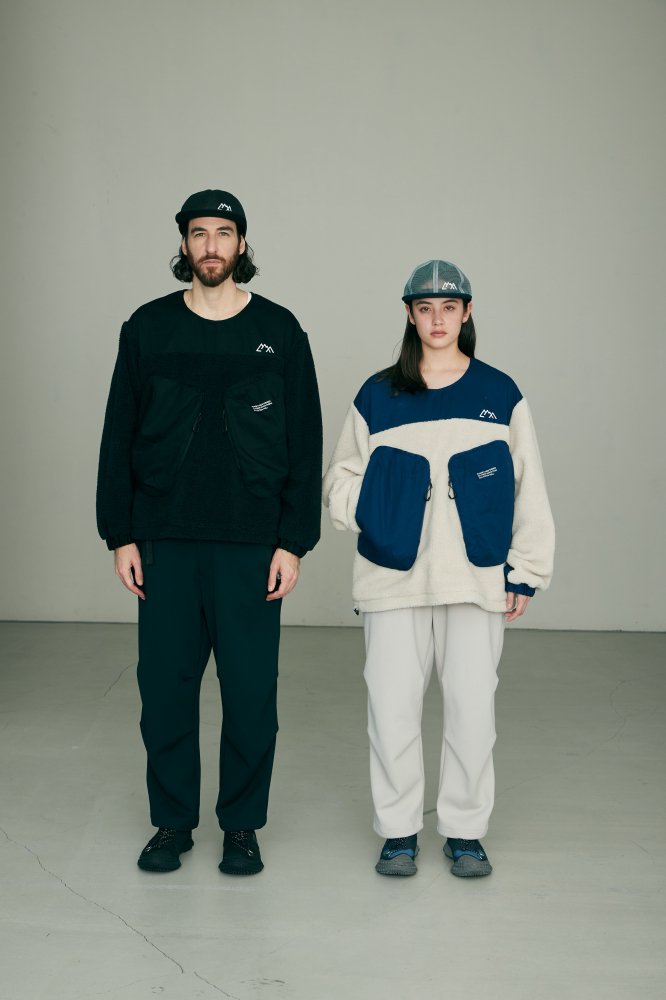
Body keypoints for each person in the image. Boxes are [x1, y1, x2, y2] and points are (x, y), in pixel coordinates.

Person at [97, 189, 322, 875]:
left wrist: (293, 542)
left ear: (242, 244)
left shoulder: (280, 330)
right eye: (199, 233)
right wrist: (120, 535)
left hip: (252, 545)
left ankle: (241, 827)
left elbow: (304, 441)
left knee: (251, 695)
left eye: (224, 233)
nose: (212, 246)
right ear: (184, 245)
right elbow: (118, 434)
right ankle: (172, 824)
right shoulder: (148, 328)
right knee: (165, 692)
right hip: (164, 541)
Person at [323, 259, 554, 878]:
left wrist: (526, 570)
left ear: (467, 312)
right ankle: (399, 832)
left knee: (473, 712)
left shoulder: (499, 393)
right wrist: (385, 503)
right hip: (391, 580)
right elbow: (339, 480)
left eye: (449, 308)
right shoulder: (378, 394)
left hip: (475, 580)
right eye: (425, 309)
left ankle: (464, 832)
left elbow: (529, 487)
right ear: (409, 315)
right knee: (391, 709)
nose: (437, 320)